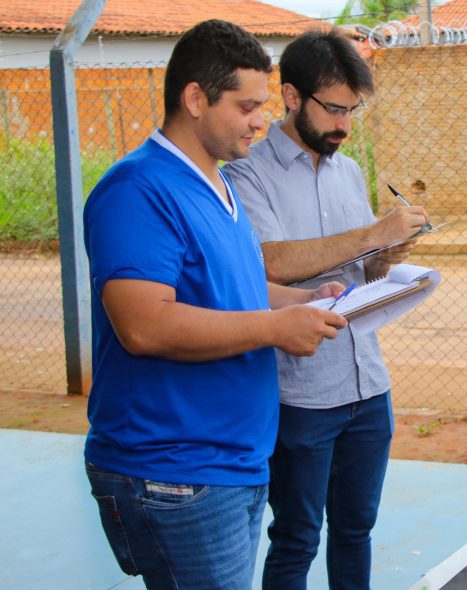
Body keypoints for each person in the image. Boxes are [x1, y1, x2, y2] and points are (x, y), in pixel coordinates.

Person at [82, 20, 348, 589]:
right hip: (173, 469)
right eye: (247, 106)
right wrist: (277, 327)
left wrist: (303, 301)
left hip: (230, 463)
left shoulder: (217, 184)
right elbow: (145, 325)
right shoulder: (137, 189)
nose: (261, 120)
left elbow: (233, 292)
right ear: (196, 98)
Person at [223, 28, 427, 590]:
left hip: (367, 385)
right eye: (334, 109)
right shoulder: (246, 172)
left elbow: (360, 269)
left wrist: (389, 255)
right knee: (296, 536)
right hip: (302, 391)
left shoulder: (349, 171)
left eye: (352, 110)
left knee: (356, 529)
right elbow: (266, 264)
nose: (343, 124)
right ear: (291, 96)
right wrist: (369, 235)